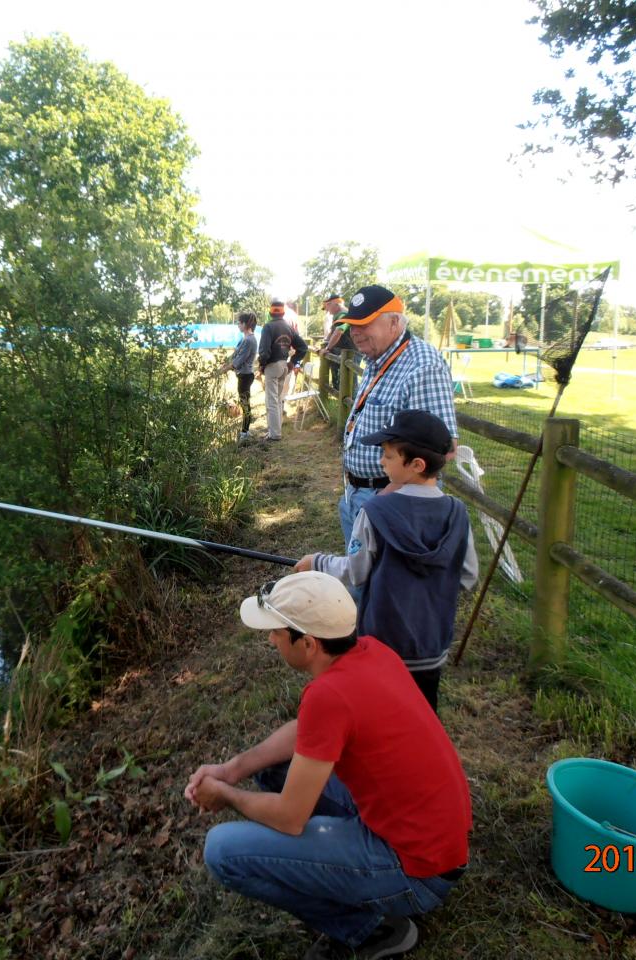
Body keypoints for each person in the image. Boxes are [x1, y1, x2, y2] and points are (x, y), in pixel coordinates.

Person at [186, 572, 471, 959]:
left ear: (307, 643)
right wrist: (232, 769)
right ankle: (352, 871)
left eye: (277, 633)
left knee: (222, 851)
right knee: (270, 767)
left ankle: (371, 930)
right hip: (435, 842)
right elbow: (306, 732)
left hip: (418, 872)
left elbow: (290, 818)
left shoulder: (329, 695)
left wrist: (226, 795)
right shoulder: (370, 651)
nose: (270, 640)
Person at [294, 410, 478, 712]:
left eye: (389, 456)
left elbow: (356, 572)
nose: (382, 461)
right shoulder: (457, 513)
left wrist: (317, 562)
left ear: (416, 465)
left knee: (380, 713)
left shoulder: (375, 512)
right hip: (431, 646)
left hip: (382, 645)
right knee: (421, 717)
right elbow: (468, 575)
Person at [336, 285, 457, 549]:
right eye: (351, 325)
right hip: (358, 495)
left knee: (377, 585)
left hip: (391, 504)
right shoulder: (376, 359)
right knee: (359, 580)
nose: (354, 332)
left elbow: (442, 449)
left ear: (393, 322)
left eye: (364, 324)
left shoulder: (423, 366)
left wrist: (380, 504)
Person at [258, 299, 309, 442]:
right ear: (283, 312)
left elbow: (264, 352)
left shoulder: (268, 327)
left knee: (271, 401)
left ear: (270, 312)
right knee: (278, 399)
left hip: (272, 366)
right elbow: (303, 347)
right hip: (284, 366)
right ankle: (276, 430)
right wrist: (292, 362)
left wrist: (261, 365)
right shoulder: (288, 327)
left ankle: (274, 434)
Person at [229, 312, 258, 442]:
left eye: (239, 323)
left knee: (245, 404)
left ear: (245, 324)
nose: (238, 325)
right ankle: (245, 431)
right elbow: (235, 355)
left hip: (245, 376)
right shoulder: (245, 338)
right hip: (243, 375)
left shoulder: (249, 340)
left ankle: (244, 433)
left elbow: (238, 361)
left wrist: (225, 369)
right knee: (244, 403)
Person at [317, 293, 353, 389]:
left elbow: (338, 332)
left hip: (350, 352)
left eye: (327, 307)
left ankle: (353, 403)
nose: (328, 311)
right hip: (342, 351)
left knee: (349, 382)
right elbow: (333, 332)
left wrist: (327, 348)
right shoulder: (338, 315)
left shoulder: (344, 315)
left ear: (334, 303)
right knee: (341, 380)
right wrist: (326, 341)